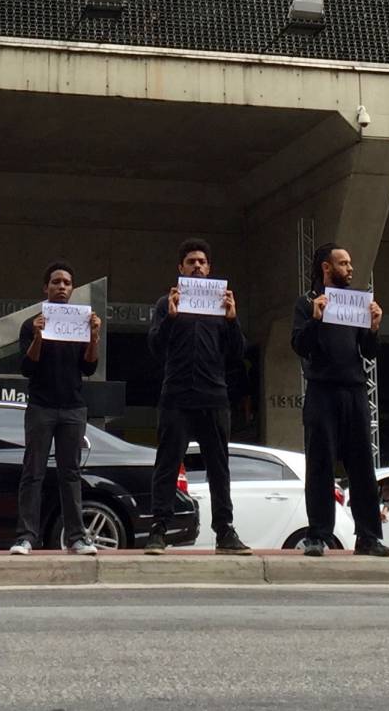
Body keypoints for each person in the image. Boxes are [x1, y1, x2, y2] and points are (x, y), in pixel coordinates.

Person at [145, 238, 250, 555]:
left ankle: (225, 531)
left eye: (202, 262)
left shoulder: (221, 305)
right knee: (166, 464)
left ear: (210, 268)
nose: (197, 266)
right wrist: (172, 318)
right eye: (191, 262)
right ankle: (159, 529)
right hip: (176, 395)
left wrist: (232, 321)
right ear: (180, 268)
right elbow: (155, 348)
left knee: (219, 467)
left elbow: (237, 354)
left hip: (214, 397)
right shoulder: (167, 304)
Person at [292, 243, 389, 557]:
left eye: (350, 263)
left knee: (362, 466)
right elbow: (300, 346)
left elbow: (369, 351)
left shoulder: (355, 302)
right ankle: (318, 535)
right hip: (321, 390)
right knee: (320, 465)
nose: (351, 269)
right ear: (326, 267)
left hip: (355, 390)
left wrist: (373, 328)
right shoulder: (307, 303)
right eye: (344, 263)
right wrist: (316, 318)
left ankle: (368, 537)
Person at [12, 261, 103, 554]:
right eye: (56, 282)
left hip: (73, 408)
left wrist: (94, 337)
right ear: (45, 288)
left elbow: (89, 366)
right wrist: (38, 337)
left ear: (72, 289)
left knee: (71, 473)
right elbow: (27, 368)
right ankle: (26, 536)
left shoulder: (80, 323)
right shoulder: (32, 323)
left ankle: (77, 537)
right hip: (41, 406)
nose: (61, 287)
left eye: (66, 282)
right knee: (33, 472)